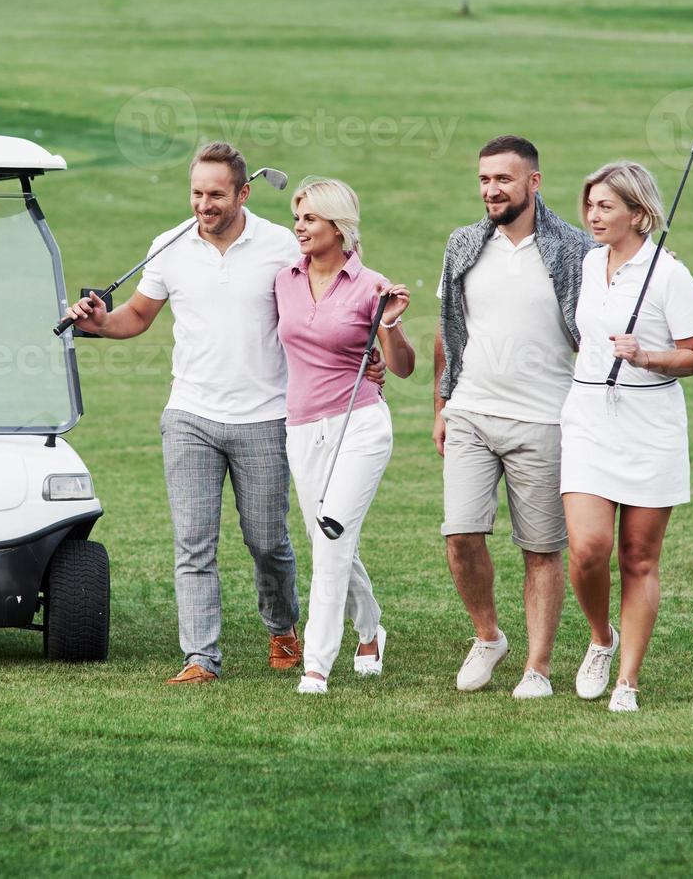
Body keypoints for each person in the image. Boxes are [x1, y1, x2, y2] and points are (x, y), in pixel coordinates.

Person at [62, 142, 380, 685]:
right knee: (193, 542)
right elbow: (135, 318)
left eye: (216, 195)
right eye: (196, 193)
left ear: (243, 193)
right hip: (189, 415)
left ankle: (282, 626)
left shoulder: (282, 247)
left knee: (267, 541)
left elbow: (326, 302)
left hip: (267, 417)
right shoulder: (169, 246)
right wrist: (94, 321)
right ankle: (200, 657)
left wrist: (366, 357)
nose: (204, 205)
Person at [434, 136, 595, 699]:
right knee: (460, 537)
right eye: (483, 179)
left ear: (534, 182)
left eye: (503, 179)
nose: (491, 190)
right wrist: (442, 405)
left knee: (541, 549)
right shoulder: (463, 245)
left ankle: (538, 668)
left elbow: (603, 318)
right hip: (472, 413)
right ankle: (488, 636)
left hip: (545, 419)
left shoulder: (575, 249)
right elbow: (448, 330)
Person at [561, 160, 693, 713]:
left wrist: (646, 356)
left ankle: (627, 681)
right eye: (591, 205)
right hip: (589, 418)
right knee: (587, 550)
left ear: (640, 214)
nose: (593, 216)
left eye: (606, 206)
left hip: (651, 427)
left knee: (639, 558)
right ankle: (601, 638)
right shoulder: (588, 262)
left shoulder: (671, 275)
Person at [274, 178, 414, 695]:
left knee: (331, 536)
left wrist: (390, 328)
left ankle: (316, 666)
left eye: (310, 219)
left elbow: (402, 368)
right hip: (302, 427)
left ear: (338, 226)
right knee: (327, 537)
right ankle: (371, 626)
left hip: (360, 425)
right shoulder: (284, 279)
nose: (300, 228)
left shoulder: (372, 286)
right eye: (297, 218)